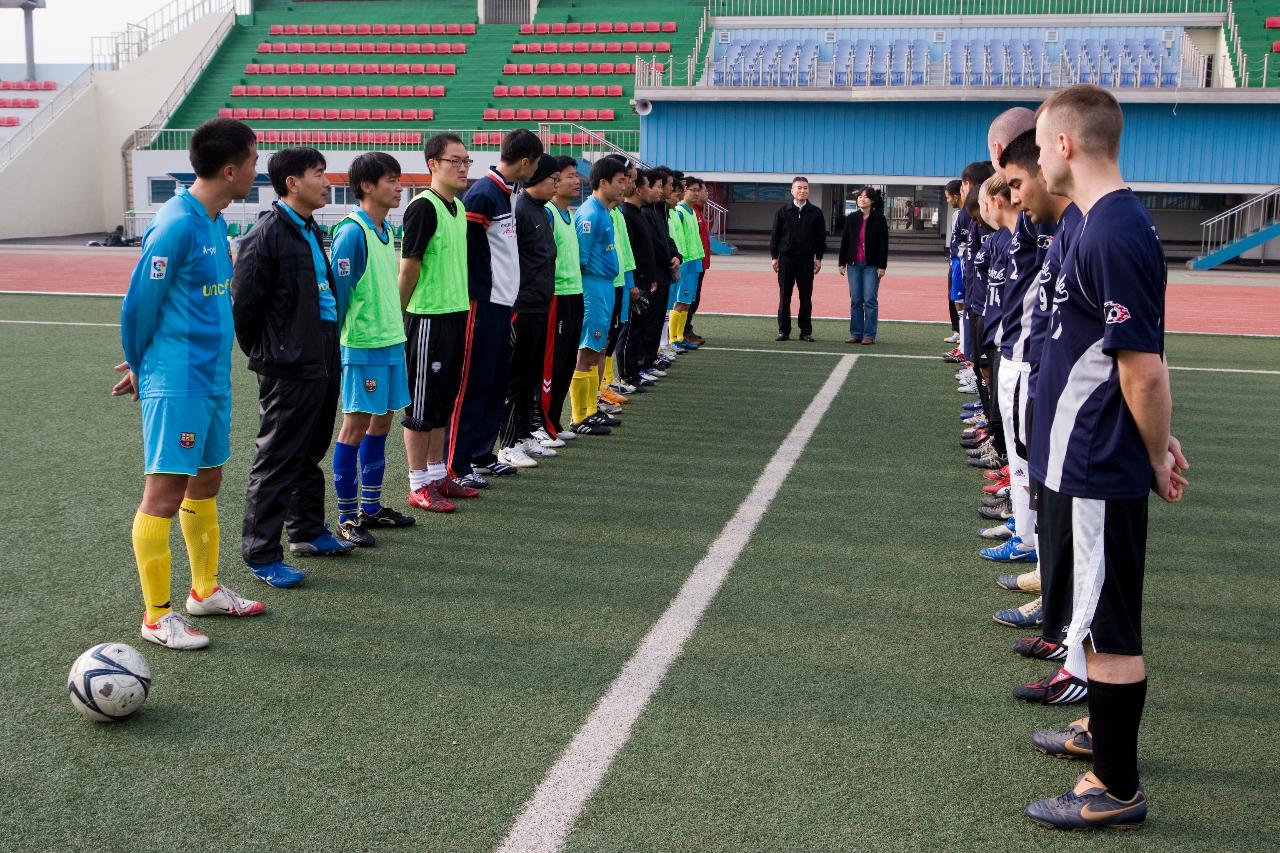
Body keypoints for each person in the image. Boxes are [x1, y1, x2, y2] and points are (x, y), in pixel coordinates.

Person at [1023, 84, 1188, 832]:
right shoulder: (1095, 223)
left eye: (1040, 143)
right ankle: (1099, 732)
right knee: (1093, 613)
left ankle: (1114, 784)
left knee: (1107, 627)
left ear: (1064, 144)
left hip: (1098, 461)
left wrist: (1155, 453)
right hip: (1082, 457)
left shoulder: (1115, 229)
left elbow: (1142, 366)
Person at [115, 117, 264, 650]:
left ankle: (204, 590)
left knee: (207, 482)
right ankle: (156, 616)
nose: (256, 168)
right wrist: (139, 365)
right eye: (252, 160)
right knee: (163, 491)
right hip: (176, 380)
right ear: (229, 169)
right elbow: (138, 305)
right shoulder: (176, 224)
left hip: (210, 378)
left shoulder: (214, 220)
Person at [233, 146, 354, 591]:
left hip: (321, 350)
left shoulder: (307, 228)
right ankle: (261, 554)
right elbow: (244, 308)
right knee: (277, 455)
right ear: (292, 183)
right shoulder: (267, 234)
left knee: (310, 447)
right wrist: (273, 353)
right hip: (288, 360)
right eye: (319, 174)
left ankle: (306, 531)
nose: (327, 182)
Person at [327, 151, 415, 547]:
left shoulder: (386, 231)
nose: (399, 187)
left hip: (391, 341)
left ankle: (372, 507)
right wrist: (334, 349)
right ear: (366, 186)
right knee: (355, 426)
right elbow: (338, 298)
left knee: (382, 423)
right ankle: (346, 516)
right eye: (391, 180)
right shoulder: (352, 232)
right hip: (362, 347)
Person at [451, 129, 544, 482]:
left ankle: (481, 453)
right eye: (535, 164)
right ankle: (459, 464)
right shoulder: (484, 194)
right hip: (484, 302)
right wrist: (480, 293)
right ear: (525, 162)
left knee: (495, 381)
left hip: (503, 302)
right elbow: (472, 252)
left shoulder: (504, 192)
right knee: (475, 384)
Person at [398, 133, 478, 505]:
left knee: (443, 401)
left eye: (466, 161)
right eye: (455, 161)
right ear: (433, 165)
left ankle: (438, 475)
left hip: (455, 313)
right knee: (421, 406)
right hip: (427, 317)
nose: (463, 167)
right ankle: (418, 484)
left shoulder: (457, 208)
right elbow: (409, 267)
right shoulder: (422, 207)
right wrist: (401, 316)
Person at [497, 153, 561, 469]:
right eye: (553, 179)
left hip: (540, 304)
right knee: (517, 376)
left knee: (531, 374)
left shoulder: (541, 211)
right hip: (521, 305)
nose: (557, 185)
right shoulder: (519, 209)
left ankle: (523, 435)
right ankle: (507, 444)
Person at [568, 157, 627, 434]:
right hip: (592, 286)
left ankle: (591, 409)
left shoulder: (605, 211)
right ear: (603, 183)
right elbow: (580, 258)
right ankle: (579, 416)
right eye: (620, 181)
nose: (624, 186)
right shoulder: (590, 214)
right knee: (588, 350)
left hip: (604, 285)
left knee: (598, 349)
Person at [537, 156, 584, 443]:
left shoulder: (569, 215)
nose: (576, 180)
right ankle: (542, 425)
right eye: (569, 176)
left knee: (567, 362)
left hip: (574, 295)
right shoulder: (549, 213)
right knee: (551, 365)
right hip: (556, 296)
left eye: (577, 175)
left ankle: (553, 420)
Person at [618, 170, 662, 387]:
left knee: (639, 327)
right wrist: (633, 282)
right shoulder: (627, 214)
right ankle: (627, 372)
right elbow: (629, 254)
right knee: (630, 330)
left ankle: (636, 368)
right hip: (634, 283)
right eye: (646, 186)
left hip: (644, 281)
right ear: (638, 189)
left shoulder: (640, 213)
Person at [769, 176, 825, 342]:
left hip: (806, 260)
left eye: (805, 188)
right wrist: (774, 257)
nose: (802, 191)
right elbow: (775, 236)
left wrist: (819, 258)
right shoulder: (782, 211)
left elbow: (820, 238)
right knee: (785, 296)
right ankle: (783, 330)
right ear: (792, 190)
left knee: (805, 297)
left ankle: (805, 331)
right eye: (799, 188)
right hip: (786, 259)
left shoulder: (816, 212)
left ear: (809, 190)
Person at [837, 186, 889, 345]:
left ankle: (869, 335)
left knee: (870, 299)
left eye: (866, 197)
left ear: (872, 200)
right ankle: (856, 333)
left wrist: (882, 265)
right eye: (860, 196)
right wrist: (841, 262)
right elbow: (845, 241)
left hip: (871, 266)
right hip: (853, 264)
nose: (862, 199)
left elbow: (883, 244)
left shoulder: (880, 219)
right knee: (856, 299)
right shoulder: (851, 218)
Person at [668, 177, 706, 352]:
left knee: (687, 302)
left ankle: (680, 337)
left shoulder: (692, 212)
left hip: (695, 262)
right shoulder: (679, 212)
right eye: (693, 189)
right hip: (685, 263)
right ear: (684, 190)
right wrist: (680, 259)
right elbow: (676, 239)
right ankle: (673, 339)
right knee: (679, 302)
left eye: (699, 190)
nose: (697, 193)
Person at [684, 178, 712, 346]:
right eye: (703, 190)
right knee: (687, 300)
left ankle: (687, 328)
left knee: (694, 299)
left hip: (699, 264)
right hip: (691, 265)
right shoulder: (688, 212)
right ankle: (683, 331)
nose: (705, 193)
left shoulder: (698, 211)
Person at [943, 179, 963, 345]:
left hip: (964, 263)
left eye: (949, 197)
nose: (948, 201)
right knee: (952, 296)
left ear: (957, 196)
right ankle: (957, 330)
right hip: (954, 261)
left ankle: (965, 335)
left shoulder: (971, 215)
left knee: (962, 300)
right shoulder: (956, 215)